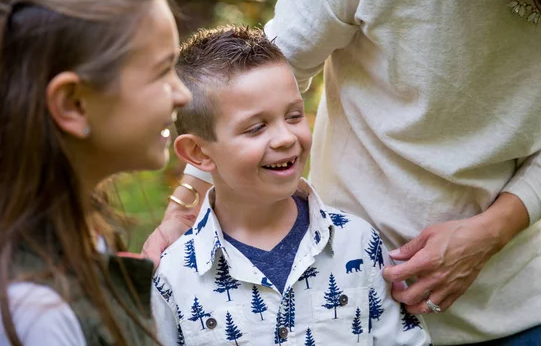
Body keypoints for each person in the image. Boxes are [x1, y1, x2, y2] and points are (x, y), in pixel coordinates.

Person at [144, 0, 541, 344]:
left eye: (294, 118)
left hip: (522, 310)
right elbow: (255, 83)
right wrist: (189, 200)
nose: (283, 135)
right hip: (344, 297)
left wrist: (492, 232)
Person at [150, 26, 432, 346]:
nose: (286, 138)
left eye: (294, 115)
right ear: (199, 153)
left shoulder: (359, 244)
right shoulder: (173, 276)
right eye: (256, 128)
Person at [0, 0, 191, 345]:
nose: (182, 94)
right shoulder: (34, 314)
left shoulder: (81, 234)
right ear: (74, 103)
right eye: (162, 71)